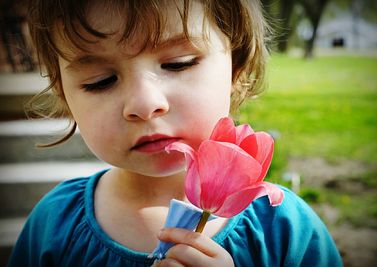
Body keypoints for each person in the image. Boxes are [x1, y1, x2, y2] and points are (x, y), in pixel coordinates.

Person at [8, 0, 343, 266]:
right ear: (65, 96)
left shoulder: (285, 231)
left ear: (236, 67)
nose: (144, 103)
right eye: (100, 81)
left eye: (179, 63)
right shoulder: (53, 226)